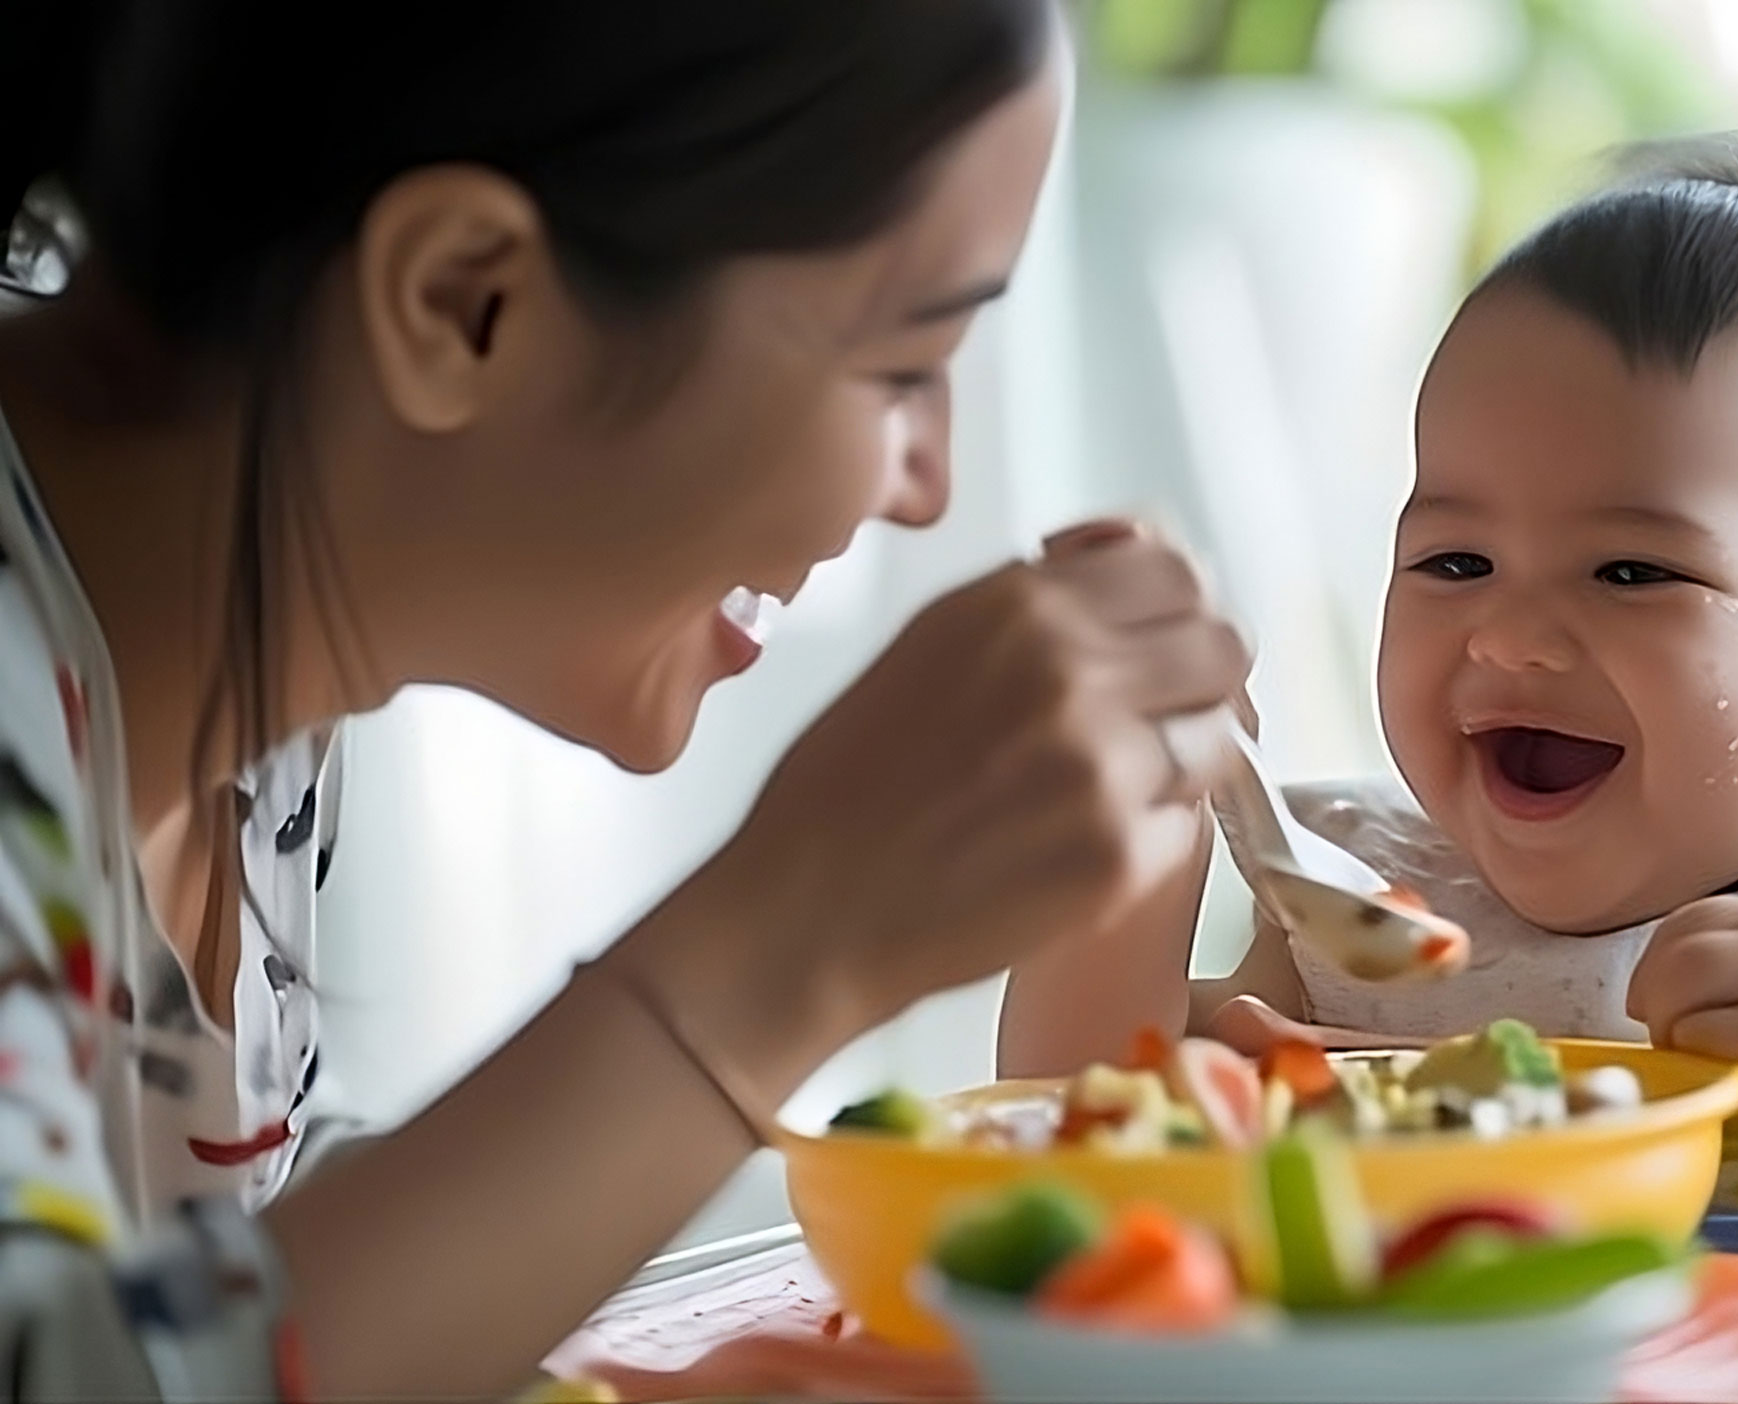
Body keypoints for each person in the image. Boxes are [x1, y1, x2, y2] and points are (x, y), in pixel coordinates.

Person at [0, 1, 1249, 1395]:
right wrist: (794, 930)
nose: (926, 487)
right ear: (463, 300)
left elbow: (215, 1274)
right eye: (904, 366)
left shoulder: (235, 666)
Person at [1000, 133, 1738, 1225]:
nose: (1509, 638)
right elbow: (1068, 1124)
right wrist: (1133, 860)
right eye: (1454, 560)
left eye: (1630, 570)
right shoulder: (1373, 899)